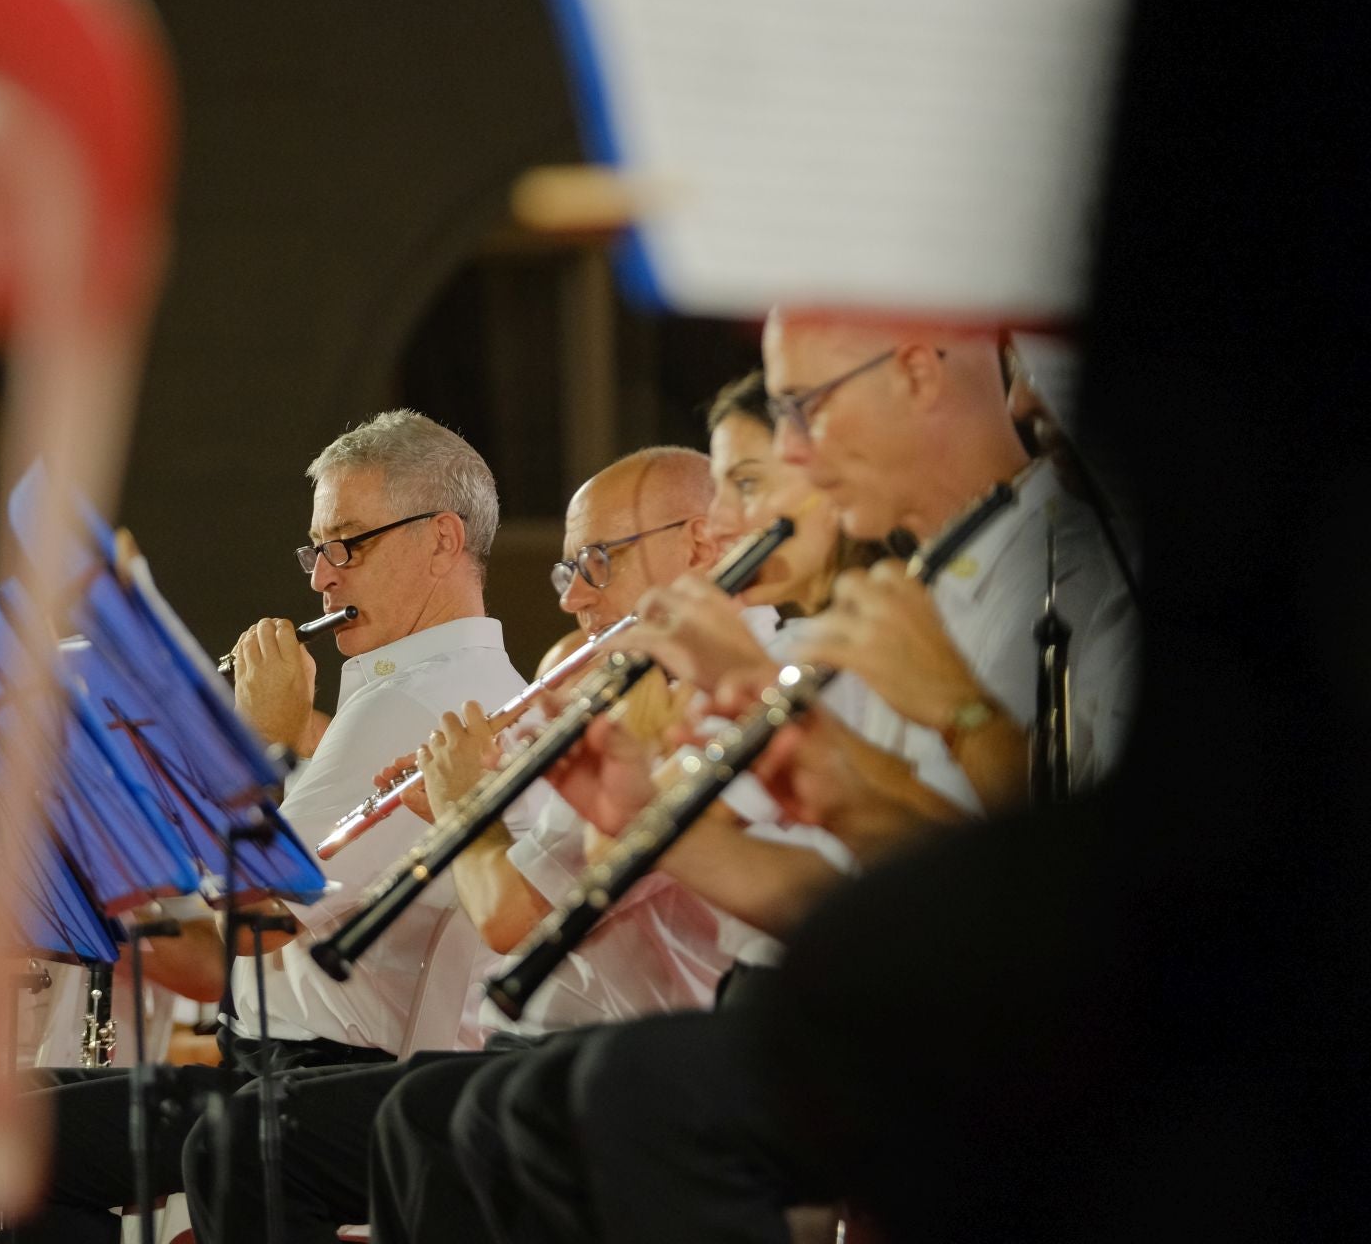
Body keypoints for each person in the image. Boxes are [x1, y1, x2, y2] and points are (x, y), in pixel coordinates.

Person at [475, 314, 1136, 1244]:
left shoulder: (1080, 575)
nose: (796, 451)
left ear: (916, 375)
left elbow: (1088, 914)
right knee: (550, 1101)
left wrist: (957, 718)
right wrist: (651, 818)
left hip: (1016, 1050)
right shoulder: (915, 593)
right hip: (906, 1013)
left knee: (626, 1096)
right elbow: (845, 886)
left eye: (806, 410)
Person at [179, 447, 765, 1244]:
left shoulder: (705, 697)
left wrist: (270, 750)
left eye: (599, 561)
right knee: (364, 1118)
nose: (577, 598)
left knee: (267, 1135)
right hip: (527, 1056)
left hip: (612, 1067)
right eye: (569, 571)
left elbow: (507, 920)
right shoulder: (613, 695)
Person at [16, 409, 527, 1244]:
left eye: (348, 544)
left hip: (325, 1082)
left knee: (20, 1144)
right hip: (272, 1065)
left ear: (442, 540)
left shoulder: (417, 704)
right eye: (316, 550)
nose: (322, 579)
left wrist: (245, 748)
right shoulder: (402, 689)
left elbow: (253, 917)